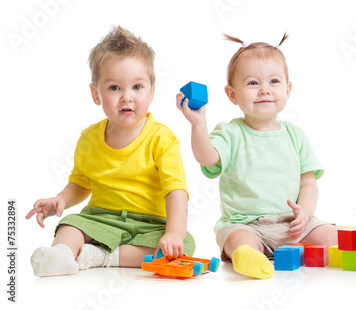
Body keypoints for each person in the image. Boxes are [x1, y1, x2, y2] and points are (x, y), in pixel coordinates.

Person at [26, 26, 194, 277]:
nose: (127, 97)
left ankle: (101, 256)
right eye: (114, 88)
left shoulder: (162, 139)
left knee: (185, 245)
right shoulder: (89, 138)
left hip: (150, 224)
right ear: (96, 93)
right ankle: (60, 254)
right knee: (70, 225)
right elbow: (81, 182)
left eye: (137, 87)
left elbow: (175, 191)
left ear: (152, 91)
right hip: (100, 219)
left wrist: (173, 233)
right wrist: (60, 200)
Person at [176, 33, 339, 279]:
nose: (264, 90)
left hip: (291, 226)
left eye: (274, 81)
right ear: (232, 95)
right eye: (253, 83)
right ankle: (249, 257)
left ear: (288, 89)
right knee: (238, 240)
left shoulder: (296, 136)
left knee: (329, 234)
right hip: (246, 225)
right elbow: (207, 158)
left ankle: (319, 247)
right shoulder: (230, 133)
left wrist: (304, 213)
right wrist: (198, 124)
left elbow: (308, 183)